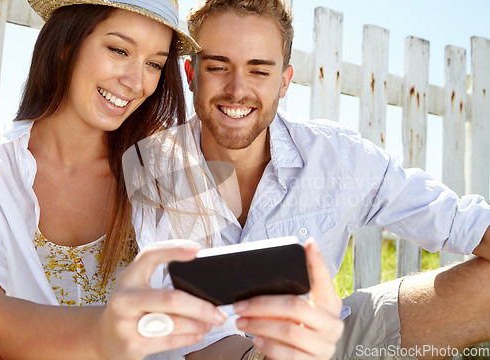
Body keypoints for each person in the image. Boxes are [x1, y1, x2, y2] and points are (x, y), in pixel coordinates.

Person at [171, 0, 490, 359]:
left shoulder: (334, 156)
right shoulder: (155, 171)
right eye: (217, 66)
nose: (237, 89)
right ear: (191, 72)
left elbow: (455, 219)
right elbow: (186, 334)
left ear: (284, 82)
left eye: (259, 71)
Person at [0, 0, 234, 359]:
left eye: (154, 64)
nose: (135, 82)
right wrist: (109, 330)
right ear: (65, 44)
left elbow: (209, 331)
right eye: (119, 50)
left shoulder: (169, 174)